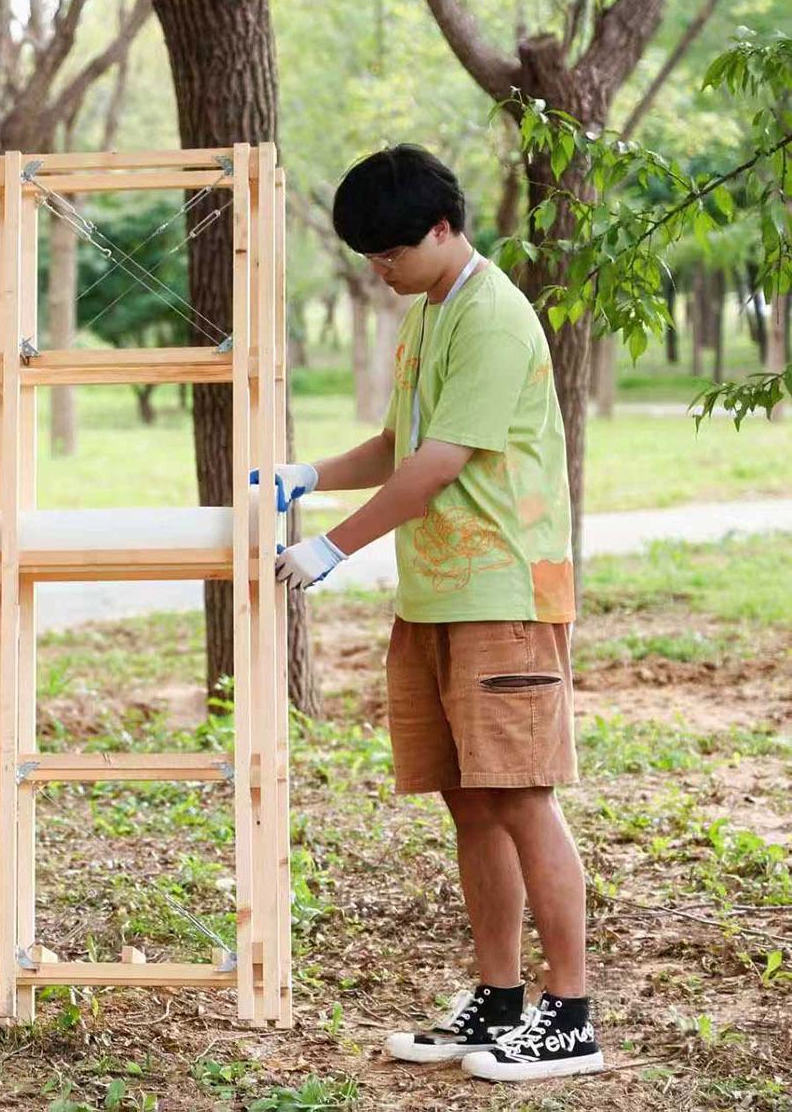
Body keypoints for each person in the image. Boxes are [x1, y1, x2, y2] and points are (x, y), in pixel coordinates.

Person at [256, 144, 602, 1083]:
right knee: (469, 799)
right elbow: (395, 442)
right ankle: (498, 1002)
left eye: (391, 252)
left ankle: (570, 1013)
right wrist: (309, 476)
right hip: (440, 596)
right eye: (369, 256)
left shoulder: (492, 314)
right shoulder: (429, 311)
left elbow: (439, 464)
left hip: (504, 592)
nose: (381, 269)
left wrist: (335, 543)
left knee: (524, 795)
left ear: (444, 228)